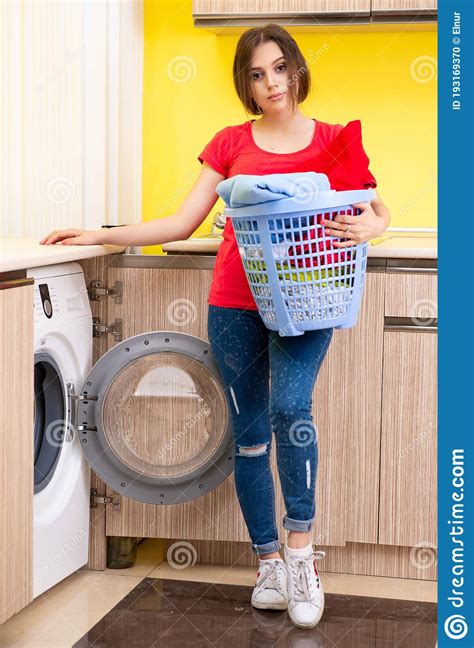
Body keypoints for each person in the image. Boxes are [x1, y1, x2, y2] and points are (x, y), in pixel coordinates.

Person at [40, 23, 390, 629]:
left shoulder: (334, 140)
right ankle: (268, 564)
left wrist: (374, 227)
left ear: (298, 68)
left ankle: (303, 554)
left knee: (291, 410)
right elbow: (180, 222)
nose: (272, 83)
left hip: (309, 300)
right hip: (235, 300)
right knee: (249, 432)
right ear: (245, 84)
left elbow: (373, 206)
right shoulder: (230, 142)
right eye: (257, 74)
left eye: (280, 68)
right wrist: (98, 233)